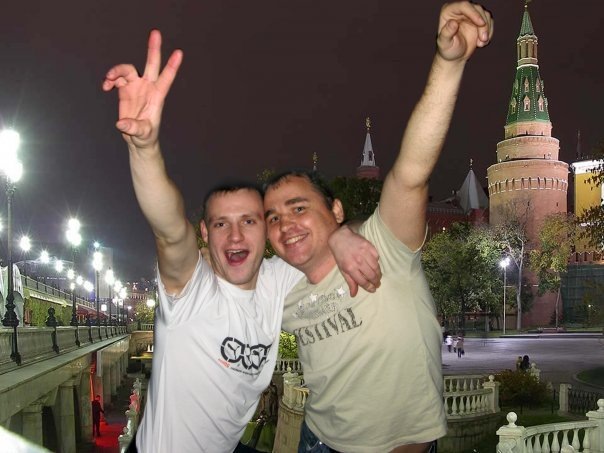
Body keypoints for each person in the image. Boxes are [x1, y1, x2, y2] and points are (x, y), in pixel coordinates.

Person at [103, 31, 381, 453]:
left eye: (249, 221)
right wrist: (144, 149)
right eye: (221, 224)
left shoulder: (277, 278)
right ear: (204, 233)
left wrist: (339, 234)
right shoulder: (190, 290)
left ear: (266, 229)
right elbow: (168, 228)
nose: (235, 236)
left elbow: (370, 231)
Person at [263, 3, 493, 451]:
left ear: (335, 209)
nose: (285, 224)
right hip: (317, 440)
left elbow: (411, 172)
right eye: (273, 217)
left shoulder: (383, 244)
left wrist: (448, 63)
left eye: (298, 207)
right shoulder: (276, 286)